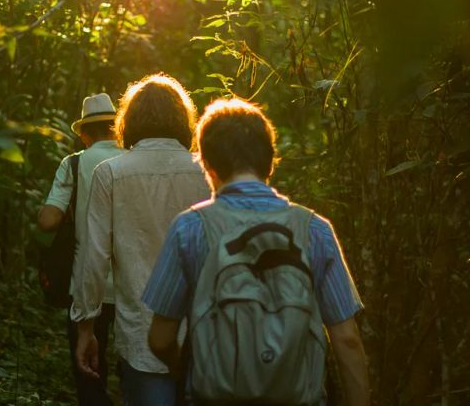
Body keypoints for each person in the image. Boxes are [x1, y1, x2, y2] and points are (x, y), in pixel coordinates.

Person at [142, 98, 370, 406]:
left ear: (207, 166)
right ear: (272, 161)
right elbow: (347, 340)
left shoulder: (190, 228)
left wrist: (195, 365)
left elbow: (160, 339)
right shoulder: (315, 230)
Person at [71, 73, 211, 406]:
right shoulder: (207, 171)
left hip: (141, 335)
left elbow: (93, 257)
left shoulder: (111, 173)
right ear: (183, 119)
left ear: (128, 121)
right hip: (205, 335)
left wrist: (85, 326)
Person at [38, 93, 125, 406]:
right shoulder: (134, 160)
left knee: (88, 370)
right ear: (116, 128)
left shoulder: (73, 163)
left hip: (87, 283)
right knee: (133, 368)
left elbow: (49, 221)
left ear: (85, 133)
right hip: (133, 284)